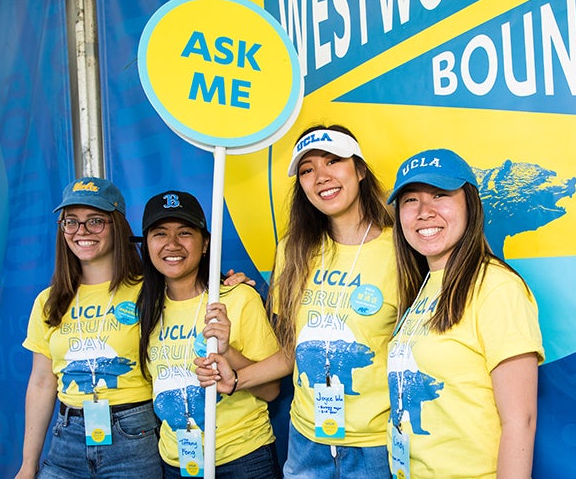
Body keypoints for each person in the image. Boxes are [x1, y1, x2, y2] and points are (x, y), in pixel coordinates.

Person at [195, 125, 398, 477]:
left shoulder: (401, 250)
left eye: (333, 161)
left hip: (375, 447)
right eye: (307, 170)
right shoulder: (293, 250)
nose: (321, 177)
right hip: (306, 444)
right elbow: (292, 351)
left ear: (360, 170)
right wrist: (235, 380)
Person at [385, 149, 545, 478]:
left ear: (470, 205)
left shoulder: (497, 287)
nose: (424, 212)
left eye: (440, 195)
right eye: (410, 200)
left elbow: (520, 421)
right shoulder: (423, 285)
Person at [18, 177, 163, 478]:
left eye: (95, 221)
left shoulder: (150, 290)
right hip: (66, 439)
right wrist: (28, 466)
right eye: (71, 222)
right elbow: (42, 383)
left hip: (133, 436)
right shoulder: (48, 300)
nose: (81, 232)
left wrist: (228, 283)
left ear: (117, 225)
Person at [136, 190, 282, 478]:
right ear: (147, 244)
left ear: (205, 245)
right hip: (176, 462)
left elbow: (271, 391)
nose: (172, 244)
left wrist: (228, 351)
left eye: (185, 233)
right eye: (160, 234)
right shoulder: (144, 308)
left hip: (243, 459)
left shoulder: (239, 298)